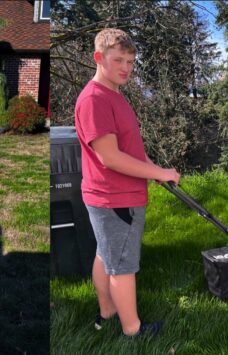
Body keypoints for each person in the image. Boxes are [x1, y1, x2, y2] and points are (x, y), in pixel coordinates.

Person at [74, 29, 181, 337]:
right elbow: (109, 157)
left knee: (105, 254)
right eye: (118, 60)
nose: (125, 67)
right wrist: (159, 174)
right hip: (116, 197)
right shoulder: (94, 99)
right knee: (122, 266)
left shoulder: (113, 94)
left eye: (131, 61)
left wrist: (155, 168)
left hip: (111, 195)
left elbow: (129, 149)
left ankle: (107, 310)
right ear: (98, 58)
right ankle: (133, 329)